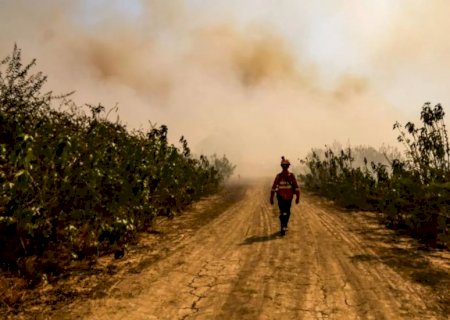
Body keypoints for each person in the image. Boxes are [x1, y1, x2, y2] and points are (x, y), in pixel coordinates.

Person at [270, 156, 300, 236]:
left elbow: (273, 188)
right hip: (286, 197)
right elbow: (296, 188)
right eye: (284, 165)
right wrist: (297, 197)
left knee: (284, 212)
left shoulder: (281, 176)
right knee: (286, 212)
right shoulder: (288, 176)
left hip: (283, 197)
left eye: (285, 165)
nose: (285, 167)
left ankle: (284, 226)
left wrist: (271, 198)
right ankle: (284, 226)